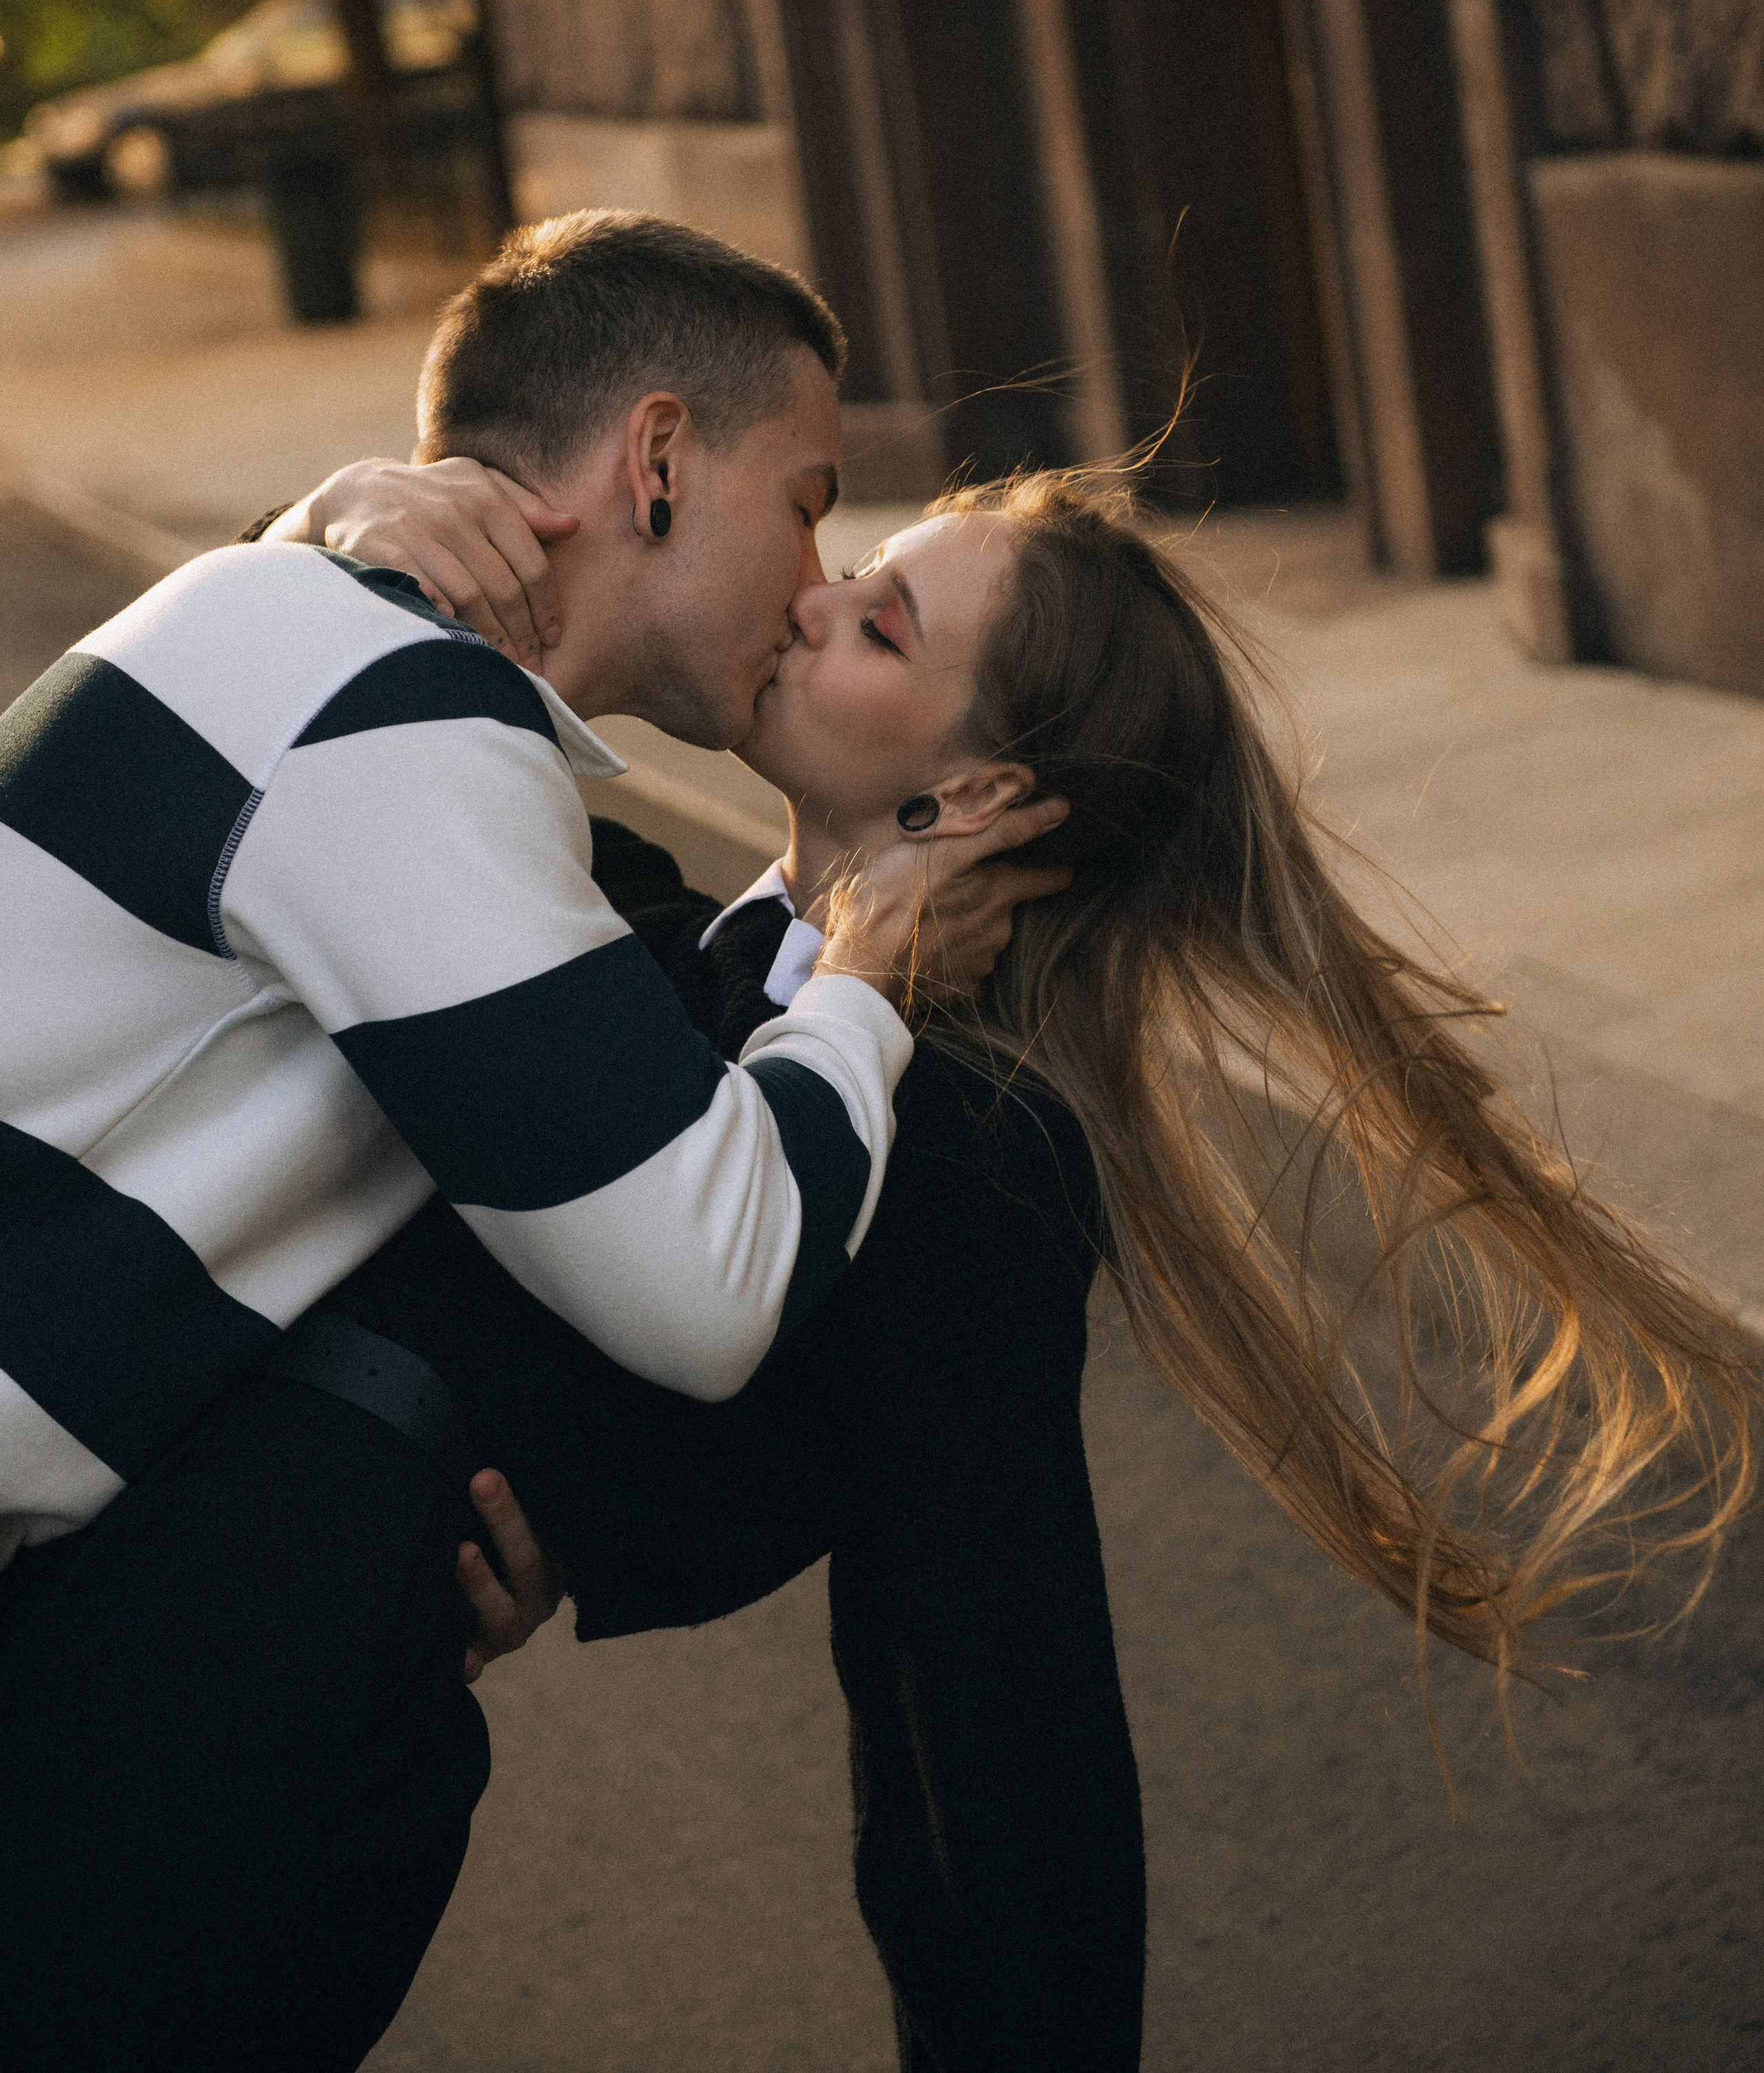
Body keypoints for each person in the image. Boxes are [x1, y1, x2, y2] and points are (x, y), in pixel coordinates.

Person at [285, 455, 1759, 2067]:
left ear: (978, 795)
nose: (813, 596)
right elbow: (296, 781)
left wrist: (525, 1488)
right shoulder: (640, 915)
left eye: (882, 624)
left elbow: (994, 1710)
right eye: (854, 568)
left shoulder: (967, 1158)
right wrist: (329, 528)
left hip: (276, 1698)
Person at [0, 212, 1069, 2071]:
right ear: (657, 461)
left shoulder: (322, 642)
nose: (811, 579)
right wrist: (874, 971)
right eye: (806, 502)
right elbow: (712, 1282)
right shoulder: (390, 707)